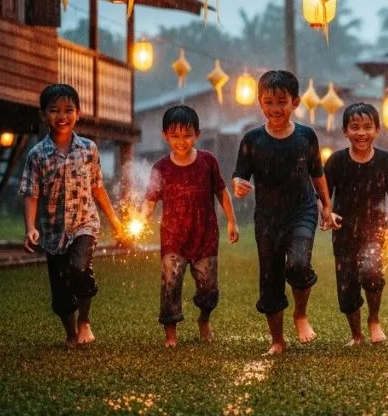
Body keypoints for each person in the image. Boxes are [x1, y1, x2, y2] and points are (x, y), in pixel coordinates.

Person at [233, 70, 335, 355]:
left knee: (299, 264)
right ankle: (277, 341)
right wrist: (238, 185)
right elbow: (239, 175)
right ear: (260, 103)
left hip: (302, 210)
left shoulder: (306, 136)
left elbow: (317, 173)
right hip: (267, 218)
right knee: (270, 278)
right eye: (268, 102)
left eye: (281, 102)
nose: (275, 109)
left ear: (295, 102)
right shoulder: (252, 139)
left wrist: (326, 206)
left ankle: (300, 315)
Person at [20, 83, 125, 348]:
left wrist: (114, 220)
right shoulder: (37, 155)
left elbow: (97, 187)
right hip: (54, 232)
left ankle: (84, 321)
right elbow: (31, 193)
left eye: (68, 110)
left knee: (78, 270)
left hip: (84, 224)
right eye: (54, 110)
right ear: (44, 114)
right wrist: (30, 227)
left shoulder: (89, 149)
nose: (62, 116)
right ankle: (70, 333)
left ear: (78, 113)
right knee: (60, 293)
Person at [139, 105, 238, 347]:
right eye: (175, 136)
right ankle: (171, 335)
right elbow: (149, 201)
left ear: (197, 134)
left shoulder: (208, 162)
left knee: (208, 289)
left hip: (205, 237)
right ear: (165, 136)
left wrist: (232, 222)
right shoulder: (161, 168)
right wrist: (141, 219)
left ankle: (204, 320)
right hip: (174, 239)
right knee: (170, 285)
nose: (181, 141)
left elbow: (222, 193)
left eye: (187, 135)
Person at [324, 103, 388, 346]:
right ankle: (356, 334)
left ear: (377, 130)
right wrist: (328, 214)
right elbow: (323, 196)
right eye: (355, 127)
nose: (361, 133)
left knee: (372, 273)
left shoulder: (386, 161)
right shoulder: (336, 161)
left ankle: (374, 320)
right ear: (345, 131)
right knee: (346, 286)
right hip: (343, 232)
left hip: (376, 231)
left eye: (367, 127)